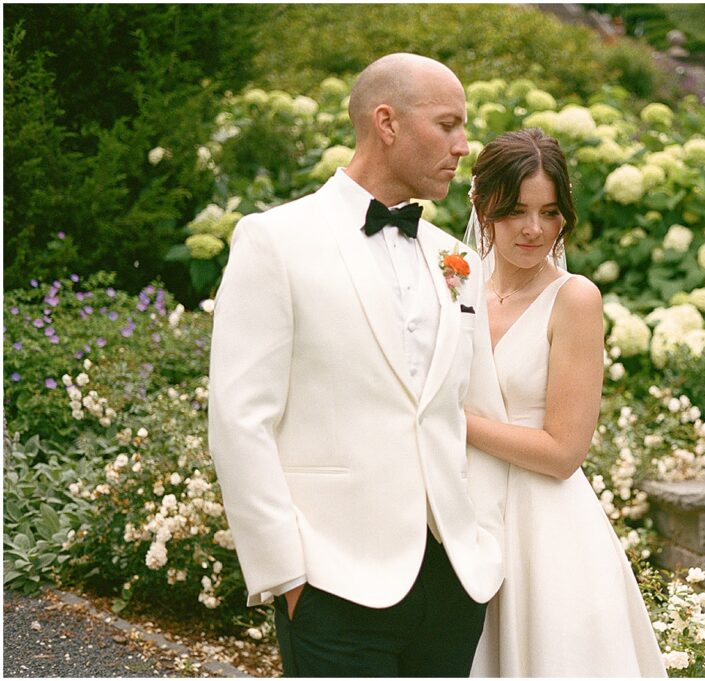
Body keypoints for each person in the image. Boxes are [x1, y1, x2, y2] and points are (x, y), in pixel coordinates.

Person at [207, 53, 510, 677]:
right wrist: (289, 576)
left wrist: (484, 542)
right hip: (331, 586)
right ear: (387, 123)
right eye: (448, 124)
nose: (463, 145)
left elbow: (469, 411)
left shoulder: (456, 259)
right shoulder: (276, 241)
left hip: (453, 583)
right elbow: (240, 420)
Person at [463, 128, 667, 677]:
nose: (534, 229)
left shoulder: (574, 299)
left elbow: (563, 451)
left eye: (550, 213)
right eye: (516, 211)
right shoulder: (455, 288)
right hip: (461, 519)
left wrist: (454, 425)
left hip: (542, 527)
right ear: (484, 208)